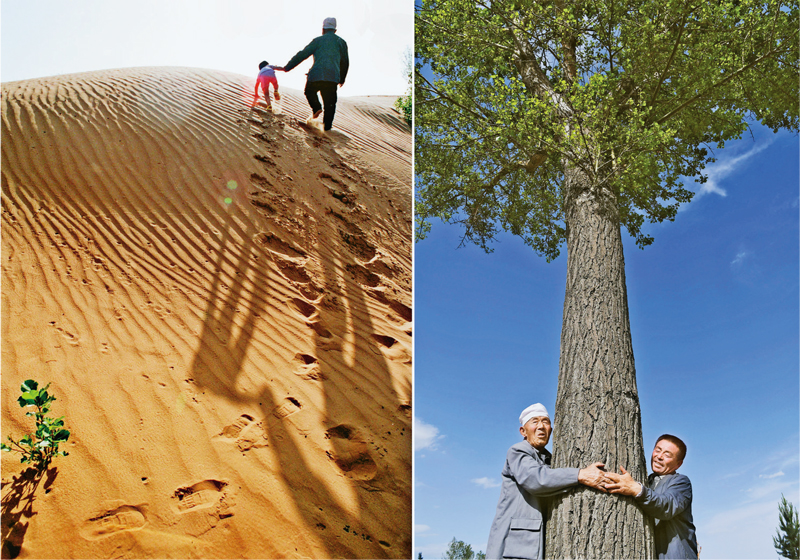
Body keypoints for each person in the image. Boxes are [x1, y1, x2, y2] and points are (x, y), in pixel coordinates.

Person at [485, 403, 609, 560]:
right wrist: (580, 475)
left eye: (545, 421)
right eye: (535, 421)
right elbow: (536, 480)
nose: (541, 427)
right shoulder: (517, 452)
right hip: (513, 548)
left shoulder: (551, 460)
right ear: (523, 431)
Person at [604, 435, 698, 559]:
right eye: (658, 450)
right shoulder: (647, 481)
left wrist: (636, 489)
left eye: (667, 455)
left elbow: (667, 506)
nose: (659, 456)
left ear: (678, 464)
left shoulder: (681, 483)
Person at [278, 17, 349, 131]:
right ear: (335, 30)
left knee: (309, 91)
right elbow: (345, 62)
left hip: (316, 75)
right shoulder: (342, 42)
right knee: (330, 106)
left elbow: (303, 54)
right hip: (332, 78)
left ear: (323, 29)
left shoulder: (317, 41)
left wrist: (288, 67)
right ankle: (327, 129)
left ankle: (316, 107)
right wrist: (342, 79)